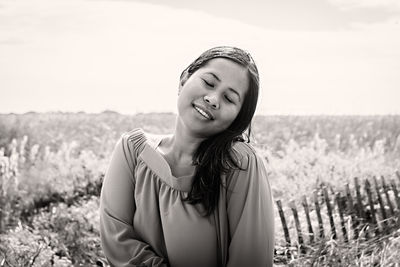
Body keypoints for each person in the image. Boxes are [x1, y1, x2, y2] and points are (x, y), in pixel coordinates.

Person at [99, 46, 275, 267]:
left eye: (229, 98)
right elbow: (117, 242)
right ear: (184, 79)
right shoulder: (132, 150)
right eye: (209, 83)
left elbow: (251, 261)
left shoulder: (240, 164)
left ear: (238, 118)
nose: (213, 99)